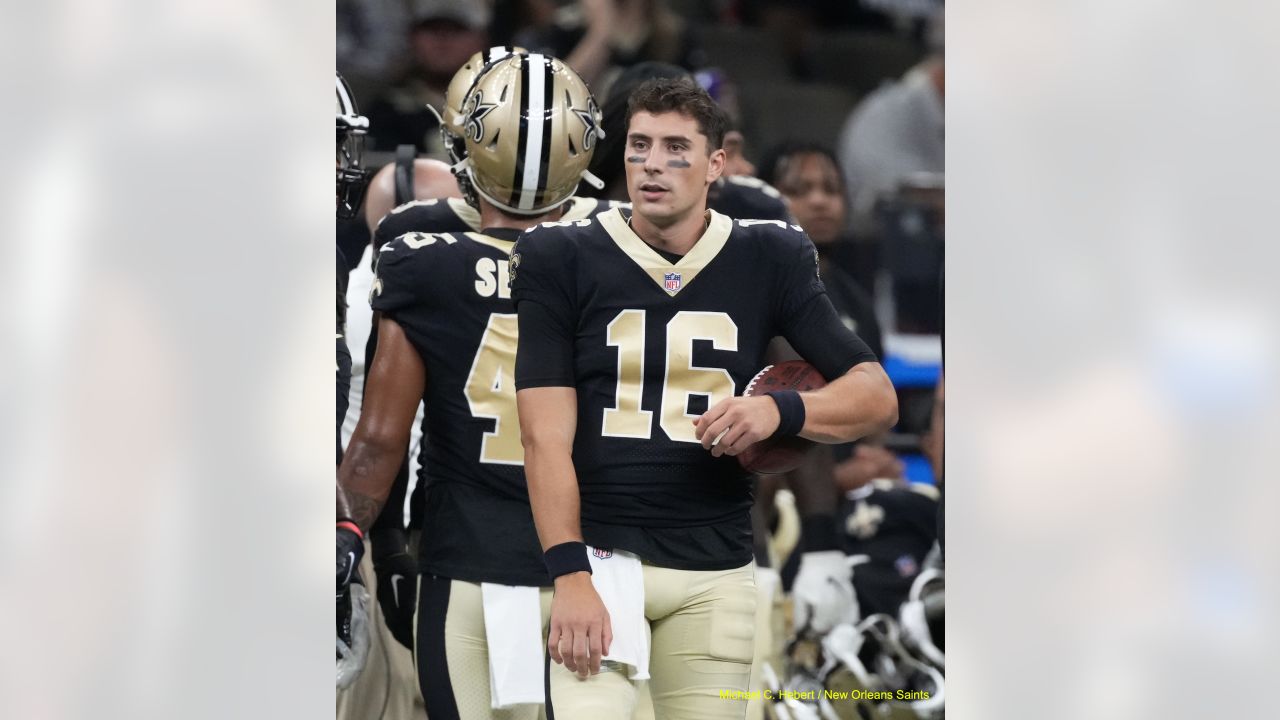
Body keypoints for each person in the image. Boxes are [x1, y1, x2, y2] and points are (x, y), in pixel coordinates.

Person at [510, 77, 898, 719]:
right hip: (602, 554)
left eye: (675, 148)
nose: (652, 164)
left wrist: (781, 410)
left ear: (717, 163)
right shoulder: (561, 254)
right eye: (639, 146)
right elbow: (543, 436)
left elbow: (875, 395)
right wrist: (569, 571)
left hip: (716, 563)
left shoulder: (768, 252)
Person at [338, 53, 606, 719]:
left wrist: (362, 542)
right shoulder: (626, 240)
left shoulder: (415, 243)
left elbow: (379, 442)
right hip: (610, 558)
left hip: (468, 553)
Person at [364, 0, 491, 154]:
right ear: (412, 38)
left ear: (481, 39)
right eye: (432, 29)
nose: (443, 40)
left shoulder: (501, 108)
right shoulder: (386, 112)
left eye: (457, 30)